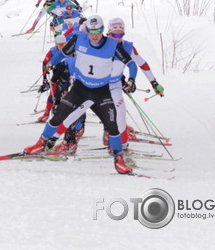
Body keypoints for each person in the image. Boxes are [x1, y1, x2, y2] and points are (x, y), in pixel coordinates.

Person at [23, 15, 159, 174]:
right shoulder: (79, 38)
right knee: (59, 116)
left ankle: (119, 159)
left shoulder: (113, 45)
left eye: (98, 31)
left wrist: (132, 80)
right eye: (91, 31)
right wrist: (52, 63)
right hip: (80, 88)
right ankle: (41, 143)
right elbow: (63, 53)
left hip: (102, 91)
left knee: (112, 125)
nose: (94, 36)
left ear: (103, 31)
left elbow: (131, 64)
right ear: (86, 30)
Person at [106, 17, 164, 148]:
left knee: (120, 113)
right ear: (108, 33)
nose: (117, 38)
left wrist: (154, 83)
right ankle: (69, 140)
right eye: (114, 34)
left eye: (120, 34)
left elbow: (142, 64)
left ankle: (123, 147)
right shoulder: (100, 45)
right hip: (97, 86)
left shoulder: (128, 47)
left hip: (114, 85)